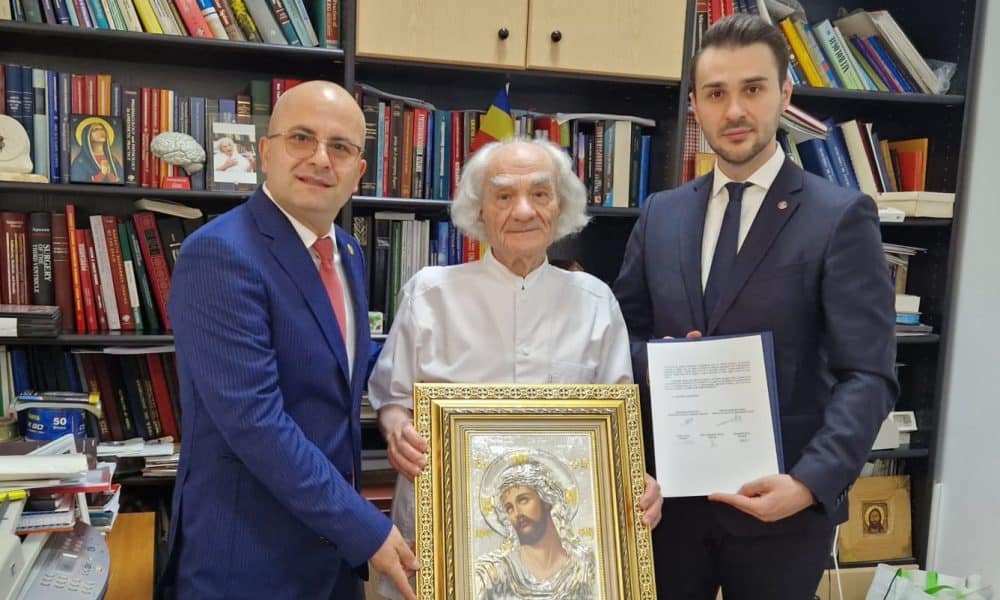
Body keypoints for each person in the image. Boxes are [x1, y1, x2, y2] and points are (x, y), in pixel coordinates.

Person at [613, 14, 898, 600]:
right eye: (716, 93)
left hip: (783, 509)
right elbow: (623, 340)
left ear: (785, 95)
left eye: (753, 88)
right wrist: (663, 360)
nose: (735, 110)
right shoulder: (661, 213)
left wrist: (809, 483)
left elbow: (868, 374)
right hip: (668, 507)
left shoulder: (840, 216)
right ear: (695, 106)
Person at [369, 138, 663, 599]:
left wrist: (634, 480)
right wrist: (397, 431)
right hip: (444, 542)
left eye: (540, 193)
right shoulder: (429, 294)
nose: (523, 211)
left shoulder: (595, 302)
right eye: (504, 195)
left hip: (560, 568)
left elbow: (616, 431)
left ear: (560, 206)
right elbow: (391, 399)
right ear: (479, 210)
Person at [161, 80, 418, 599]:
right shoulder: (219, 254)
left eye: (340, 146)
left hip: (330, 559)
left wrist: (436, 377)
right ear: (265, 152)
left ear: (358, 171)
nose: (320, 158)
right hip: (249, 559)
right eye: (302, 138)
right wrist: (364, 527)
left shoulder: (346, 251)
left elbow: (342, 358)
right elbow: (256, 422)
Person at [474, 458, 595, 599]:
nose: (517, 513)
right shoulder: (492, 575)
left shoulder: (584, 569)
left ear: (547, 500)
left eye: (523, 500)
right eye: (509, 508)